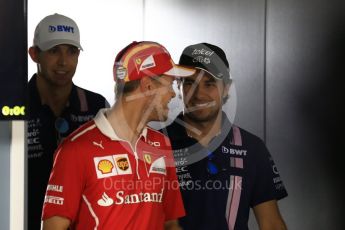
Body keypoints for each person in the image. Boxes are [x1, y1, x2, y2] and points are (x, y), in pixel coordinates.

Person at [41, 41, 196, 230]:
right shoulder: (76, 149)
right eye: (170, 84)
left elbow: (171, 223)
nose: (173, 94)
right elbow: (53, 227)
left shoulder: (161, 143)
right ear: (148, 86)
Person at [161, 43, 288, 230]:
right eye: (190, 83)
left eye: (210, 84)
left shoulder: (252, 148)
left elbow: (271, 223)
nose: (199, 94)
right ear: (178, 86)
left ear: (226, 88)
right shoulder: (155, 145)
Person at [27, 13, 109, 230]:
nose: (64, 61)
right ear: (34, 54)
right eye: (54, 51)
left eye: (72, 52)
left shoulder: (96, 105)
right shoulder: (11, 107)